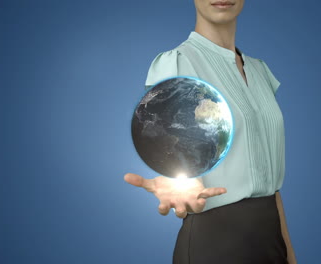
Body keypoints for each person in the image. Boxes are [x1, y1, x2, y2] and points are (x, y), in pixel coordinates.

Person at [124, 0, 297, 263]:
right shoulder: (179, 63)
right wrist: (179, 186)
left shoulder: (259, 70)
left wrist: (289, 254)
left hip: (271, 241)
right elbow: (169, 149)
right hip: (214, 244)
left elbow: (270, 186)